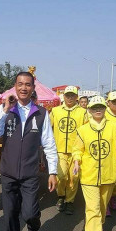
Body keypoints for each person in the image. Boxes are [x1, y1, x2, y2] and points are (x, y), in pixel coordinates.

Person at [0, 72, 58, 231]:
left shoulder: (42, 113)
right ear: (15, 87)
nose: (24, 88)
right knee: (9, 217)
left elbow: (49, 145)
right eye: (20, 84)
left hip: (29, 175)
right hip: (8, 175)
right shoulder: (6, 110)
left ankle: (33, 230)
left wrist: (53, 172)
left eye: (28, 84)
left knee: (30, 214)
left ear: (33, 87)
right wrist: (4, 110)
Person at [72, 96, 116, 231]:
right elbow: (77, 149)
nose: (98, 109)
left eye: (101, 107)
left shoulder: (114, 128)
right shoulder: (83, 130)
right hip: (89, 176)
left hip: (109, 175)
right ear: (89, 110)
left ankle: (97, 226)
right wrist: (76, 161)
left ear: (105, 108)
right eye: (94, 107)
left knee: (102, 207)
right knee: (93, 207)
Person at [50, 85, 87, 215]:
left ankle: (70, 201)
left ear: (77, 97)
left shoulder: (83, 112)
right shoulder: (55, 111)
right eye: (67, 95)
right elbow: (48, 129)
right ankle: (61, 196)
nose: (70, 98)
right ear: (63, 96)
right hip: (59, 150)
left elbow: (87, 131)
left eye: (72, 95)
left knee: (74, 177)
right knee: (61, 175)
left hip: (76, 151)